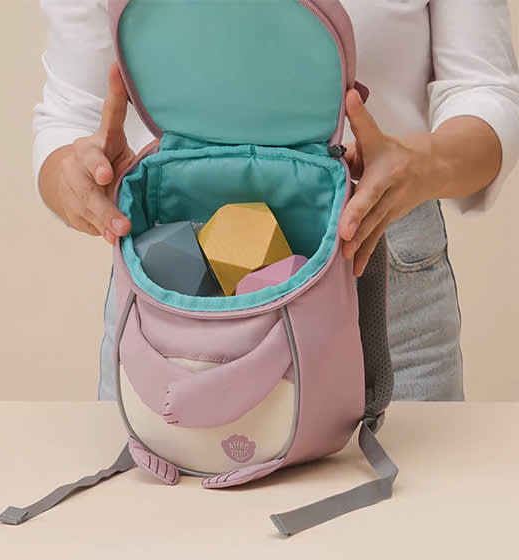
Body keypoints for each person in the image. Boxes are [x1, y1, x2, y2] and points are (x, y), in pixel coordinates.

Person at [34, 0, 519, 403]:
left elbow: (484, 88)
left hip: (385, 274)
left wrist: (421, 163)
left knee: (410, 491)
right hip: (163, 300)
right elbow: (68, 117)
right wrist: (76, 179)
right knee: (165, 483)